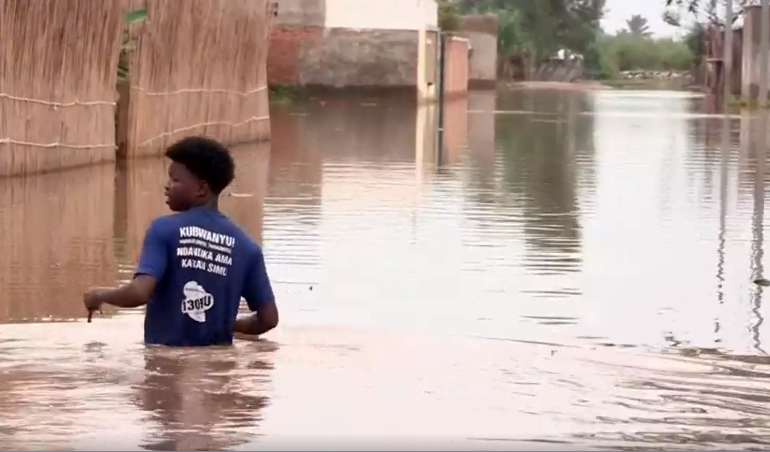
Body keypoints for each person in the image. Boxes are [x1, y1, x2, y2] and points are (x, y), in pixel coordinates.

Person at [83, 136, 279, 346]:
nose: (167, 186)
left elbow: (139, 293)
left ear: (201, 189)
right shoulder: (247, 247)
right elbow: (268, 319)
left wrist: (99, 295)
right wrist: (226, 323)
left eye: (175, 180)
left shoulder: (164, 229)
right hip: (216, 372)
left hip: (164, 365)